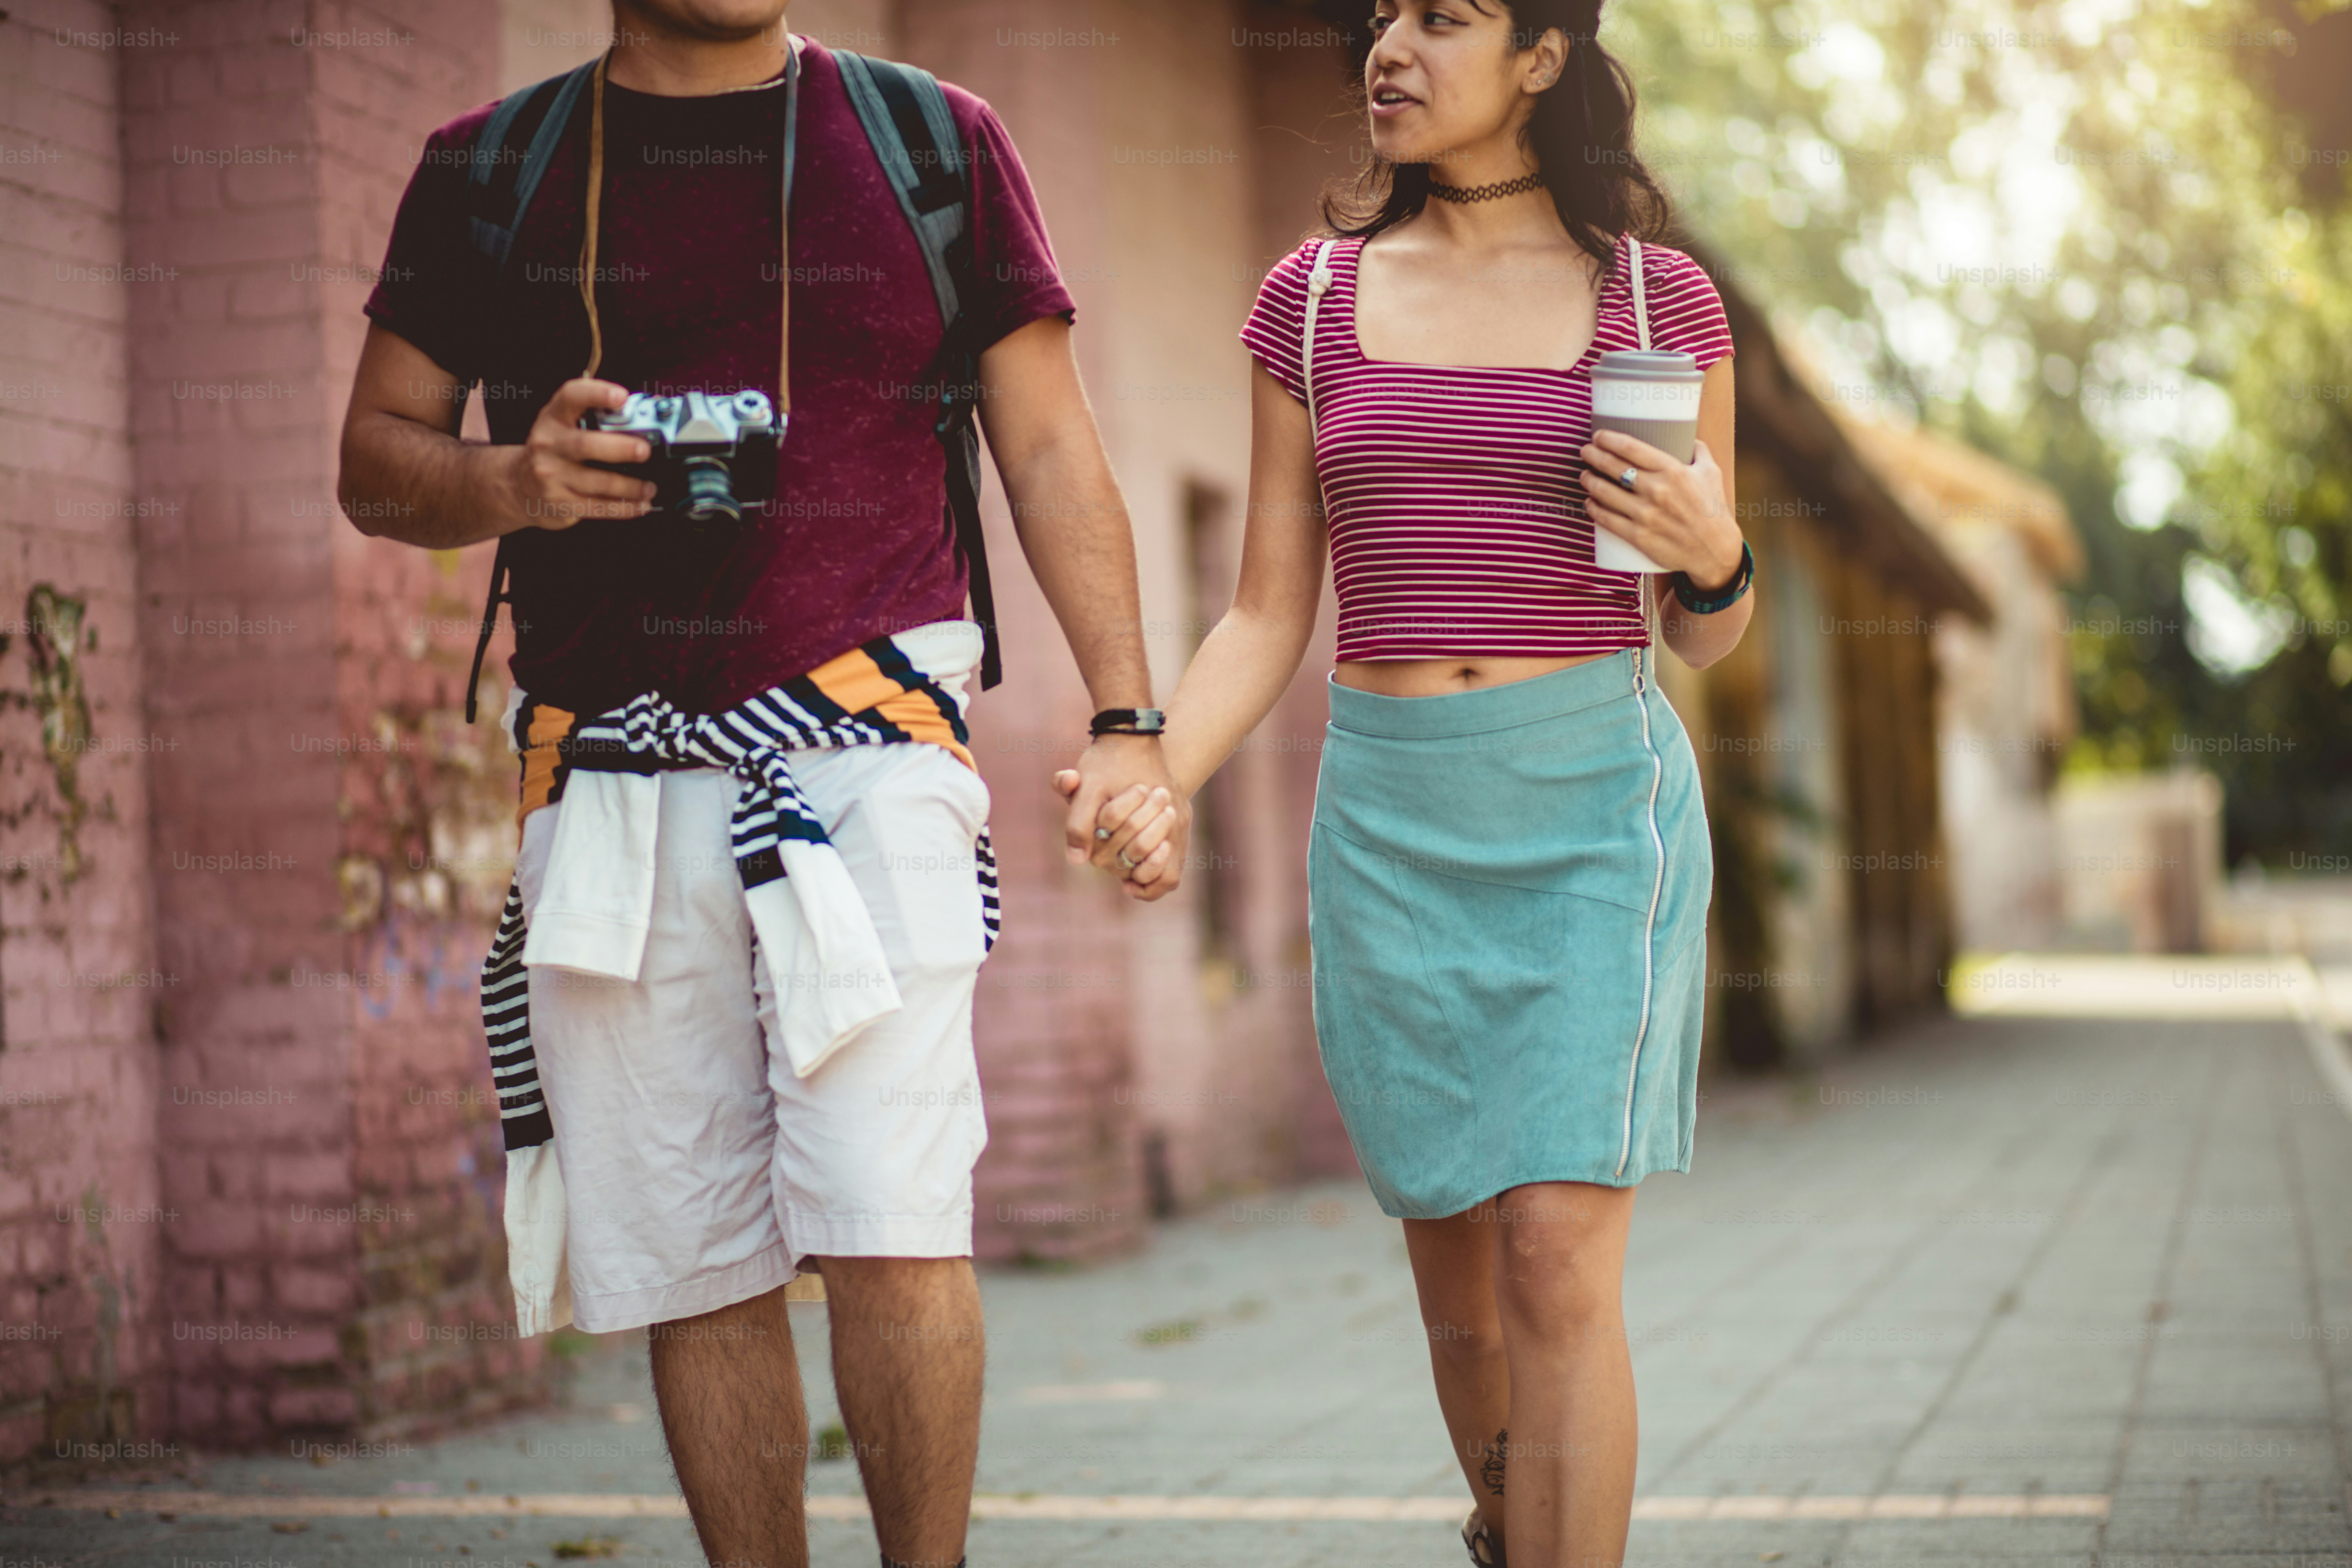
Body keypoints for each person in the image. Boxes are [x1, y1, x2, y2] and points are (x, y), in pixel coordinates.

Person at [337, 3, 1185, 1566]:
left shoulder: (935, 140)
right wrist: (515, 478)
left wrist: (1130, 718)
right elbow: (375, 462)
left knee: (891, 1219)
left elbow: (1052, 450)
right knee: (689, 1253)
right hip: (604, 766)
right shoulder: (489, 168)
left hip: (870, 748)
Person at [1067, 0, 1750, 1563]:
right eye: (1381, 13)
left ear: (1539, 61)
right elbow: (1262, 608)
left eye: (1442, 17)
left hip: (1592, 808)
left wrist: (1718, 559)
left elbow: (1708, 638)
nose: (1390, 44)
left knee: (1556, 1260)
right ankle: (1514, 1523)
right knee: (1458, 1299)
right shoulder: (1305, 305)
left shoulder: (1655, 300)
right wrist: (1150, 765)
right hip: (1387, 823)